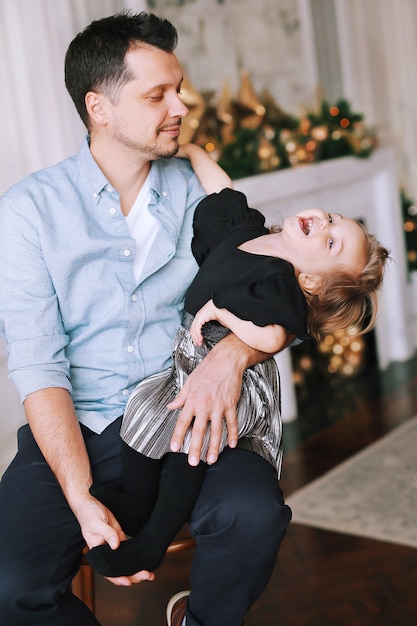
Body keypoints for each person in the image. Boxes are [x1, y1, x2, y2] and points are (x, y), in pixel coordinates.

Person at [0, 12, 295, 626]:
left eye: (178, 88)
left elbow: (275, 288)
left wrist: (231, 357)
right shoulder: (29, 211)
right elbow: (38, 365)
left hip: (194, 412)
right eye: (157, 94)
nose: (181, 105)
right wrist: (81, 497)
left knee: (254, 514)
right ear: (99, 107)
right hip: (83, 424)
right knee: (9, 589)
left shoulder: (199, 193)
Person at [85, 142, 389, 578]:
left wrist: (223, 313)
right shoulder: (244, 232)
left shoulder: (281, 283)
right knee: (144, 408)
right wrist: (192, 150)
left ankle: (152, 542)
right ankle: (134, 503)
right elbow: (220, 186)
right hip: (190, 363)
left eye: (330, 241)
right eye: (334, 221)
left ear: (309, 278)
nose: (323, 223)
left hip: (242, 382)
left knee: (193, 439)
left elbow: (272, 334)